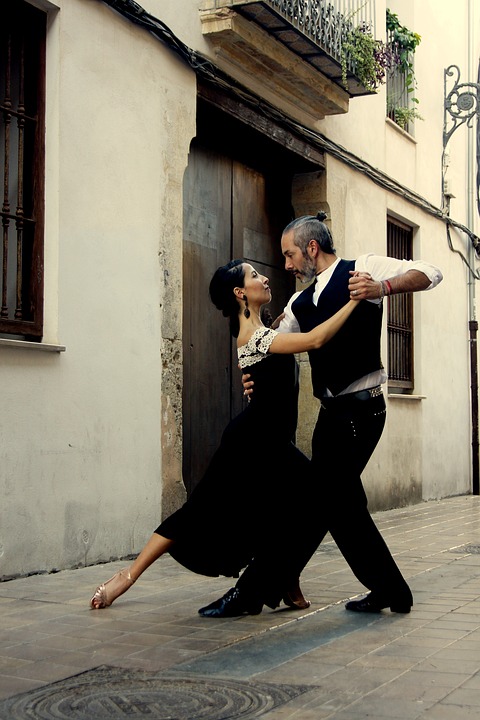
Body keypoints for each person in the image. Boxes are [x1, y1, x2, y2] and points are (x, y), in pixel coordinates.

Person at [90, 258, 359, 615]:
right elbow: (316, 338)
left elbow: (276, 361)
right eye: (254, 276)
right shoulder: (256, 336)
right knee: (197, 512)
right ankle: (125, 577)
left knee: (286, 509)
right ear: (239, 293)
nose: (265, 278)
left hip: (272, 442)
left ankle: (286, 581)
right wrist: (356, 299)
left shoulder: (267, 331)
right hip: (251, 441)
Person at [207, 212, 443, 617]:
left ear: (311, 248)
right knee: (341, 507)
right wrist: (253, 379)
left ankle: (252, 591)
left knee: (320, 503)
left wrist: (381, 287)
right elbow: (271, 342)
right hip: (329, 418)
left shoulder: (362, 269)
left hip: (364, 413)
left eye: (289, 255)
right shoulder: (300, 302)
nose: (285, 265)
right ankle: (390, 590)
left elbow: (431, 272)